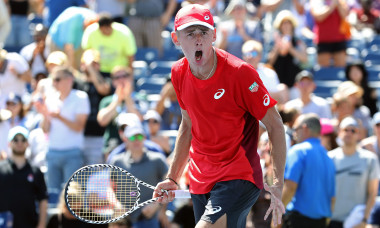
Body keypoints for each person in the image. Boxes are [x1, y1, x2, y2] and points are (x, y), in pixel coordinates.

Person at [153, 4, 287, 228]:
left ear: (214, 35)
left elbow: (275, 125)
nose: (198, 39)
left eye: (203, 32)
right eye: (190, 33)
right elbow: (187, 126)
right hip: (200, 177)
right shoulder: (178, 72)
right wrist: (172, 177)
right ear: (176, 39)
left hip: (239, 174)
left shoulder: (240, 73)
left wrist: (278, 181)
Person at [34, 66, 90, 204]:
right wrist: (45, 115)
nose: (54, 83)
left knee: (72, 196)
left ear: (69, 80)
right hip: (52, 152)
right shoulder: (50, 99)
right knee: (52, 195)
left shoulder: (81, 97)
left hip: (73, 153)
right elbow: (45, 129)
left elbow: (78, 127)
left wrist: (59, 117)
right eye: (53, 79)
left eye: (57, 79)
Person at [109, 124, 169, 228]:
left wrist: (157, 205)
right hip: (123, 221)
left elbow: (169, 186)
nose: (136, 140)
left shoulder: (157, 160)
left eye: (140, 137)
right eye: (132, 137)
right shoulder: (117, 161)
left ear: (144, 138)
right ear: (125, 139)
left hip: (150, 220)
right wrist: (117, 204)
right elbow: (110, 188)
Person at [281, 114, 336, 228]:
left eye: (295, 129)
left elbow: (290, 187)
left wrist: (277, 213)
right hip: (320, 222)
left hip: (297, 220)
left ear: (305, 128)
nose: (294, 134)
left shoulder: (298, 151)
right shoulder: (328, 157)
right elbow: (332, 197)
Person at [328, 116, 380, 228]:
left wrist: (365, 220)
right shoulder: (330, 158)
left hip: (356, 222)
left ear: (359, 134)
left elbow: (372, 193)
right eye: (346, 130)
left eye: (353, 130)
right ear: (339, 132)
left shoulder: (370, 159)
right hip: (332, 220)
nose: (349, 133)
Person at [0, 126, 48, 228]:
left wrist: (42, 224)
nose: (19, 143)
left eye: (23, 140)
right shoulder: (1, 169)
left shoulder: (36, 171)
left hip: (29, 224)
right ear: (9, 143)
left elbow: (43, 199)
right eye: (16, 140)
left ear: (28, 143)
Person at [75, 49, 112, 165]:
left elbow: (103, 89)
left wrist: (91, 68)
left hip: (98, 136)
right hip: (78, 136)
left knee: (95, 177)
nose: (91, 66)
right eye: (88, 63)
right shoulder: (76, 83)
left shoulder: (106, 80)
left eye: (95, 63)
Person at [97, 66, 141, 155]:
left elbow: (140, 120)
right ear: (113, 81)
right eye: (117, 77)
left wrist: (128, 99)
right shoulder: (107, 101)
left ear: (130, 78)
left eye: (125, 76)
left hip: (136, 144)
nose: (121, 80)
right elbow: (102, 121)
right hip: (113, 146)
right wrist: (117, 101)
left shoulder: (139, 98)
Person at [266, 9, 308, 91]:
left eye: (288, 23)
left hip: (295, 84)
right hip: (277, 84)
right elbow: (269, 63)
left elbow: (305, 59)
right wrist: (277, 47)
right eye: (283, 23)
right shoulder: (273, 42)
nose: (286, 26)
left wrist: (290, 48)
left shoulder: (298, 41)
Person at [242, 39, 289, 104]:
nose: (250, 56)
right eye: (247, 54)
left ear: (260, 56)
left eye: (253, 53)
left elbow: (278, 98)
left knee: (283, 88)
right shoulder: (239, 75)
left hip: (269, 108)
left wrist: (259, 93)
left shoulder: (269, 73)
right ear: (243, 57)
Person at [310, 0, 349, 67]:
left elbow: (345, 15)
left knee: (340, 70)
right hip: (323, 40)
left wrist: (338, 4)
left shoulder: (341, 1)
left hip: (339, 39)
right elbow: (318, 17)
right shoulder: (316, 1)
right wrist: (332, 6)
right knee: (323, 71)